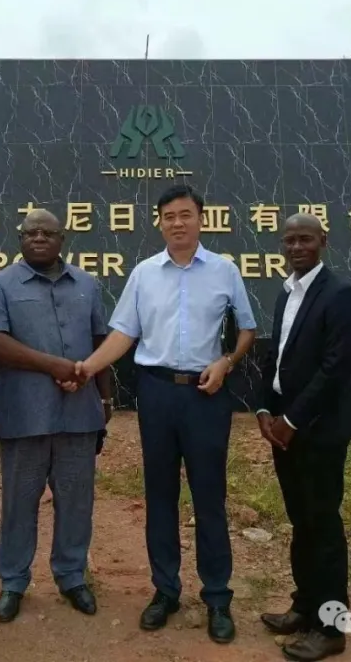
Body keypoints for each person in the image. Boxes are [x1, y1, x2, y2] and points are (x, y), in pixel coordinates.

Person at [75, 185, 256, 644]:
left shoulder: (225, 271)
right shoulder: (144, 274)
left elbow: (247, 330)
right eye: (169, 216)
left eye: (185, 214)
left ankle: (217, 597)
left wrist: (227, 362)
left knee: (209, 496)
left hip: (206, 395)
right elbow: (123, 334)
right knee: (159, 494)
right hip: (156, 394)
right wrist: (87, 368)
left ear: (201, 218)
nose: (177, 223)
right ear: (159, 223)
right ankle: (165, 590)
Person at [0, 209, 114, 623]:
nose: (38, 238)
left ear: (62, 239)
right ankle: (13, 581)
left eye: (48, 232)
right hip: (24, 413)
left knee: (76, 501)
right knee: (19, 502)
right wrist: (54, 365)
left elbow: (101, 342)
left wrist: (106, 399)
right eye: (30, 232)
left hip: (80, 413)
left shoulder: (88, 285)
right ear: (20, 238)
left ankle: (72, 576)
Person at [255, 213, 351, 662]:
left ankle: (332, 628)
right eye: (289, 241)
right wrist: (265, 408)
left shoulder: (340, 294)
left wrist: (293, 419)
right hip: (285, 428)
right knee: (301, 521)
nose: (296, 247)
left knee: (323, 526)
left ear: (323, 241)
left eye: (305, 239)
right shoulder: (288, 292)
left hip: (319, 431)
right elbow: (277, 355)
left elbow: (336, 368)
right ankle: (304, 607)